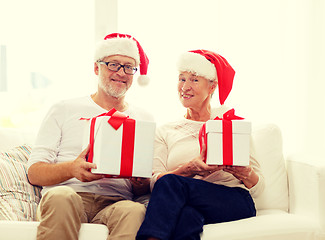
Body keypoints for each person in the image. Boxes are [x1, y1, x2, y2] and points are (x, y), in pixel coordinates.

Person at [27, 33, 153, 240]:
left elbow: (143, 186)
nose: (121, 72)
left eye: (129, 67)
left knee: (135, 211)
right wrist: (72, 169)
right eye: (113, 64)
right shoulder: (64, 108)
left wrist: (140, 182)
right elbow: (34, 173)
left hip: (115, 202)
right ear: (97, 68)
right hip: (69, 195)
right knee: (60, 196)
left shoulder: (144, 118)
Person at [136, 49, 265, 240]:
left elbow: (259, 187)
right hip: (187, 201)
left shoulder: (229, 123)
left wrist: (245, 173)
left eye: (194, 80)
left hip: (233, 200)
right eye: (182, 79)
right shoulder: (166, 130)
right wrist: (188, 169)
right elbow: (155, 183)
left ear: (212, 87)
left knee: (171, 183)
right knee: (187, 216)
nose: (185, 87)